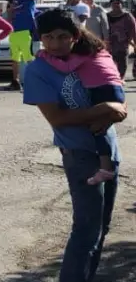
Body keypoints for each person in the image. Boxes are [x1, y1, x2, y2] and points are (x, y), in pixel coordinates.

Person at [22, 8, 126, 282]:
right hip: (79, 154)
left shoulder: (89, 59)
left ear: (75, 36)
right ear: (40, 39)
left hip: (108, 149)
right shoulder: (38, 71)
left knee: (101, 228)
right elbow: (59, 118)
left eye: (63, 37)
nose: (56, 43)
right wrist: (104, 110)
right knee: (85, 228)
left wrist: (112, 108)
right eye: (49, 37)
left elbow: (115, 96)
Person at [41, 33, 124, 187]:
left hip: (102, 90)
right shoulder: (102, 53)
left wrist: (46, 56)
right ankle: (107, 165)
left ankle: (106, 167)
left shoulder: (83, 56)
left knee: (98, 128)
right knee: (102, 125)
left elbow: (65, 67)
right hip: (115, 88)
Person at [6, 0, 38, 91]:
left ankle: (37, 80)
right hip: (14, 32)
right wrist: (11, 11)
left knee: (28, 57)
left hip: (26, 31)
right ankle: (15, 81)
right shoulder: (13, 0)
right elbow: (9, 18)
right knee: (15, 58)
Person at [105, 0, 136, 79]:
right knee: (109, 65)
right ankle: (112, 80)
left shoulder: (127, 16)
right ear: (110, 5)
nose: (116, 5)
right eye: (114, 3)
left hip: (122, 45)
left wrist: (134, 43)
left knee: (122, 65)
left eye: (118, 3)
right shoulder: (106, 16)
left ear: (122, 5)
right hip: (109, 45)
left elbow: (134, 30)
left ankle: (120, 79)